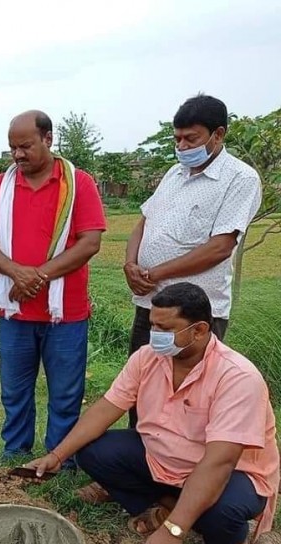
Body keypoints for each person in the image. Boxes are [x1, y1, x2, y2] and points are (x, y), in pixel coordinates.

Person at [25, 283, 279, 544]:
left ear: (199, 330)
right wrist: (57, 455)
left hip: (231, 473)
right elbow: (107, 407)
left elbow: (219, 462)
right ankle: (168, 507)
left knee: (222, 512)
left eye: (164, 327)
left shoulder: (238, 378)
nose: (153, 333)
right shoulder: (148, 357)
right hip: (164, 457)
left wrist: (174, 532)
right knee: (90, 451)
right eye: (153, 324)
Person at [0, 110, 106, 463]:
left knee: (65, 392)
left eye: (26, 146)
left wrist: (37, 275)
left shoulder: (79, 184)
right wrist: (18, 272)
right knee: (14, 391)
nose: (18, 155)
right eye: (12, 148)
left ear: (48, 139)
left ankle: (60, 459)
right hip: (15, 312)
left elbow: (90, 242)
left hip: (67, 314)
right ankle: (16, 453)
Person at [123, 94, 261, 423]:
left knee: (188, 395)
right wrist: (130, 264)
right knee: (142, 387)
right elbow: (144, 221)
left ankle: (182, 470)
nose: (182, 146)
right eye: (178, 138)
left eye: (191, 138)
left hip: (196, 312)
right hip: (151, 305)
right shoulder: (174, 174)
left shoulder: (240, 179)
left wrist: (153, 273)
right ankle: (137, 463)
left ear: (218, 135)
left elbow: (219, 247)